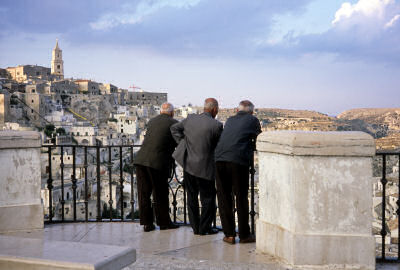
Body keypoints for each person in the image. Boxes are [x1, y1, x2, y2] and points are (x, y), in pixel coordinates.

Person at [171, 98, 223, 235]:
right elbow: (219, 146)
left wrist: (182, 143)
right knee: (208, 199)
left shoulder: (190, 119)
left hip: (189, 166)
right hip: (206, 168)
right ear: (214, 110)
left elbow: (174, 128)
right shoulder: (216, 125)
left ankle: (195, 227)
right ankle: (204, 228)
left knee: (191, 197)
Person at [214, 100, 261, 244]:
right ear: (252, 112)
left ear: (237, 110)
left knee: (224, 198)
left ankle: (229, 235)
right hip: (237, 160)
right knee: (240, 197)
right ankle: (244, 235)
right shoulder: (253, 120)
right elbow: (259, 136)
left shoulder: (229, 119)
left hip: (219, 158)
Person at [134, 102, 179, 232]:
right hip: (157, 162)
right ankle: (164, 222)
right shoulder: (174, 123)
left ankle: (147, 224)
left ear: (160, 112)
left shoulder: (152, 121)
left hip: (141, 159)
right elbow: (178, 141)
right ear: (172, 112)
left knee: (144, 193)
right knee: (160, 193)